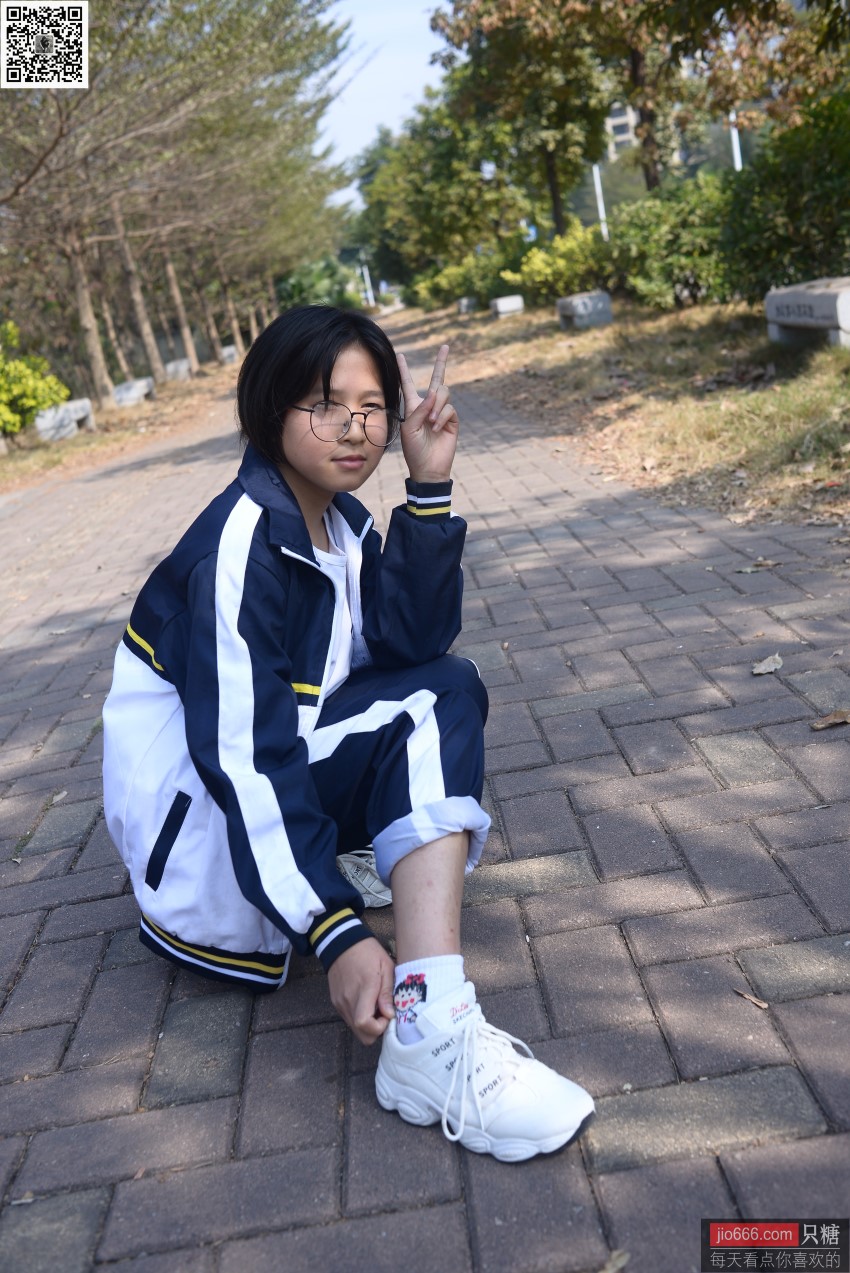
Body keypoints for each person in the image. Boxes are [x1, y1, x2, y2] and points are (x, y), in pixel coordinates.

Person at [102, 305, 594, 1162]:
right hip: (210, 853)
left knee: (447, 684)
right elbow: (245, 763)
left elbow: (411, 644)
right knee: (430, 706)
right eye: (326, 405)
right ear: (269, 408)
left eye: (373, 407)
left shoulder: (340, 521)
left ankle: (380, 913)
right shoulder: (239, 548)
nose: (356, 428)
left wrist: (428, 487)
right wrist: (334, 929)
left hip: (251, 810)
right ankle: (428, 1038)